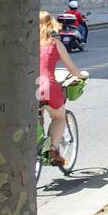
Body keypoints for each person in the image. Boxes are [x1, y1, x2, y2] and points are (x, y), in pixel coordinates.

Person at [36, 11, 89, 167]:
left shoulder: (24, 44)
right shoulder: (54, 44)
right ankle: (53, 149)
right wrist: (82, 75)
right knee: (59, 117)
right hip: (47, 86)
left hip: (29, 86)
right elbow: (72, 69)